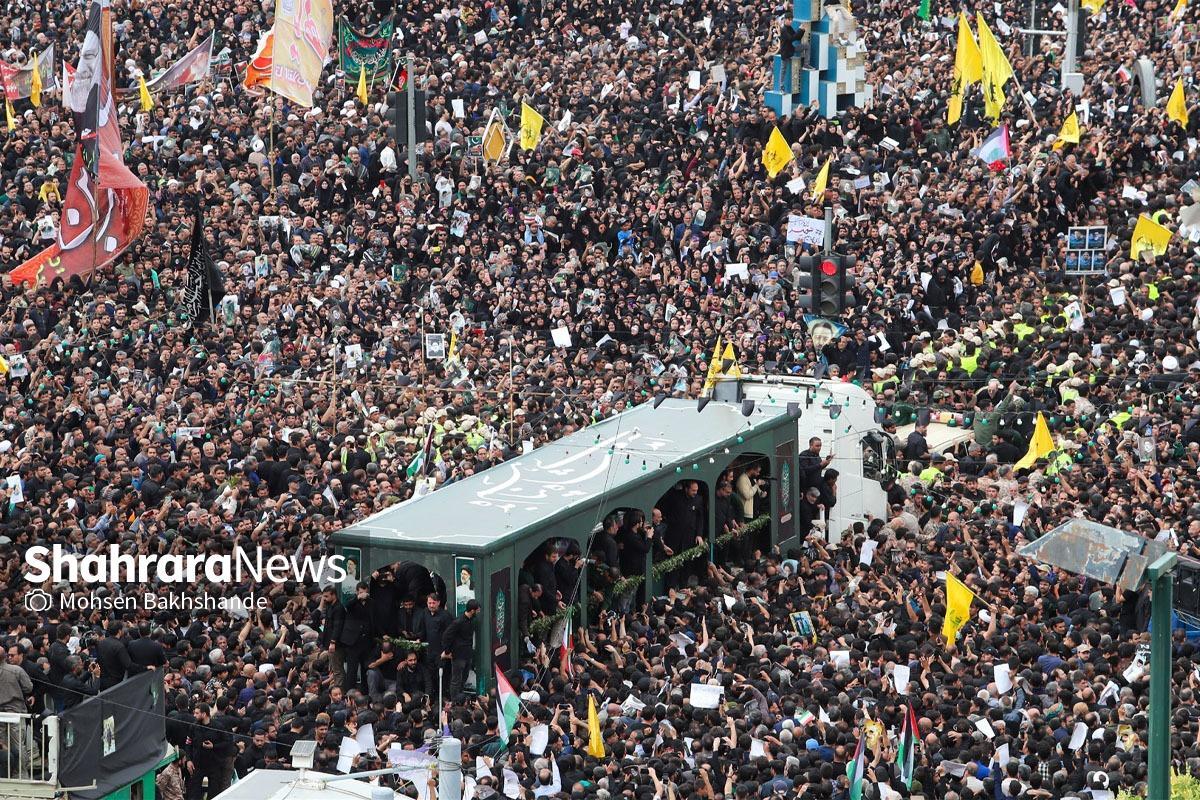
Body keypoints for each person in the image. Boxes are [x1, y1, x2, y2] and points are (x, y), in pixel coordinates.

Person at [413, 593, 451, 699]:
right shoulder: (425, 613)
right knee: (430, 676)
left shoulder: (445, 615)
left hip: (441, 652)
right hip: (429, 652)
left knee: (442, 677)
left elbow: (450, 635)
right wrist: (419, 639)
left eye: (433, 603)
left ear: (438, 603)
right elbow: (423, 630)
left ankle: (442, 698)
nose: (431, 605)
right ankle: (432, 698)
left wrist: (447, 651)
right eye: (429, 603)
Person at [440, 598, 479, 702]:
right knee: (456, 680)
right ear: (472, 611)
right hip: (458, 656)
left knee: (463, 679)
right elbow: (446, 636)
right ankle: (454, 701)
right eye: (477, 610)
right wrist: (447, 652)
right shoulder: (458, 622)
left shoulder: (470, 620)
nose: (478, 612)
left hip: (467, 655)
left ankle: (460, 699)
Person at [96, 621, 132, 691]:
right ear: (119, 631)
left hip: (103, 681)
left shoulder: (101, 643)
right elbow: (128, 665)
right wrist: (145, 668)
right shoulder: (119, 646)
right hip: (116, 683)